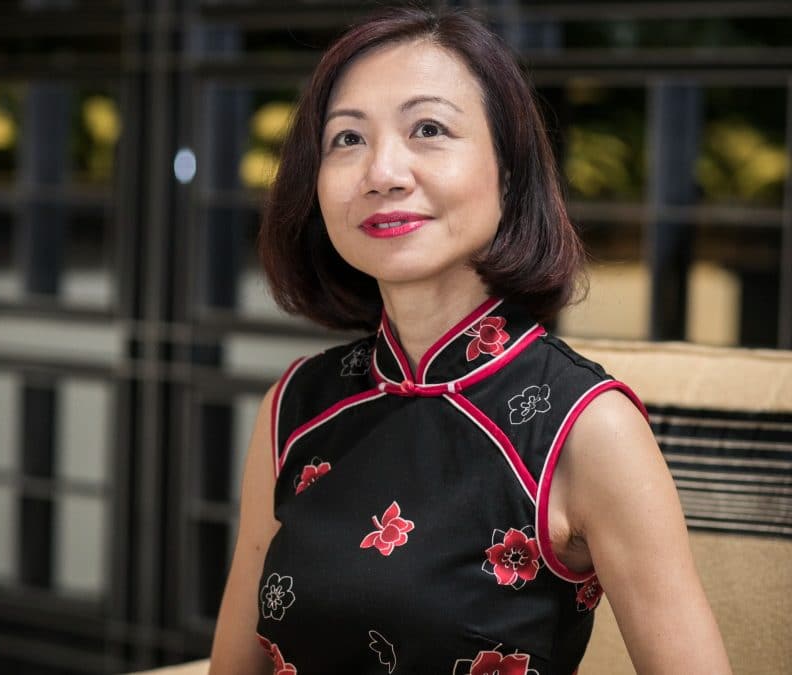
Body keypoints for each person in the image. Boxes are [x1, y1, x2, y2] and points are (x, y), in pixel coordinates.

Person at [209, 7, 731, 674]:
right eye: (347, 139)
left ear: (509, 175)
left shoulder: (586, 425)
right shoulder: (295, 405)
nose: (383, 172)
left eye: (428, 129)